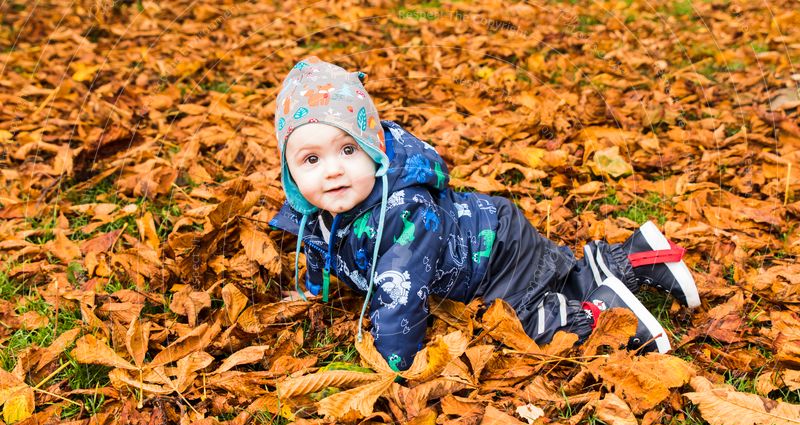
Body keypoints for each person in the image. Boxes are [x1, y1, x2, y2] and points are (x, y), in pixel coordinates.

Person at [269, 57, 700, 371]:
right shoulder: (319, 208)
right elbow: (322, 247)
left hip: (492, 258)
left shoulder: (402, 215)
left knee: (525, 322)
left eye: (348, 149)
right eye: (311, 160)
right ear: (290, 174)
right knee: (557, 274)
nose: (333, 170)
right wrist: (313, 292)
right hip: (495, 228)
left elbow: (401, 293)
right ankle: (642, 255)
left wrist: (391, 363)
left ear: (374, 148)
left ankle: (604, 316)